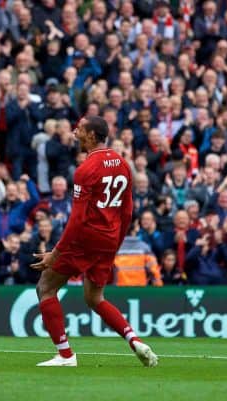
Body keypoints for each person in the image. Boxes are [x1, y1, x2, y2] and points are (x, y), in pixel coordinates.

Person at [31, 116, 158, 368]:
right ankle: (135, 340)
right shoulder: (123, 163)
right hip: (109, 239)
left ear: (91, 135)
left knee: (45, 287)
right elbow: (127, 211)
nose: (75, 132)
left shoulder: (86, 169)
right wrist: (115, 243)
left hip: (87, 238)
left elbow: (77, 219)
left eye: (80, 129)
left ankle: (66, 356)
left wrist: (55, 254)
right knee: (94, 298)